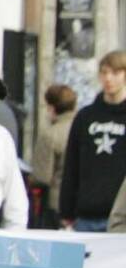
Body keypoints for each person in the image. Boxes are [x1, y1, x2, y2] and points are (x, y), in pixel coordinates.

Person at [59, 51, 126, 231]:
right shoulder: (85, 116)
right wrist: (66, 210)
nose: (108, 78)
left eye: (115, 73)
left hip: (120, 217)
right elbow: (72, 163)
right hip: (86, 214)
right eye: (104, 72)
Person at [35, 82, 78, 225]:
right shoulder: (84, 127)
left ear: (51, 108)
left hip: (56, 204)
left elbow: (42, 177)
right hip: (79, 202)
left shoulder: (50, 134)